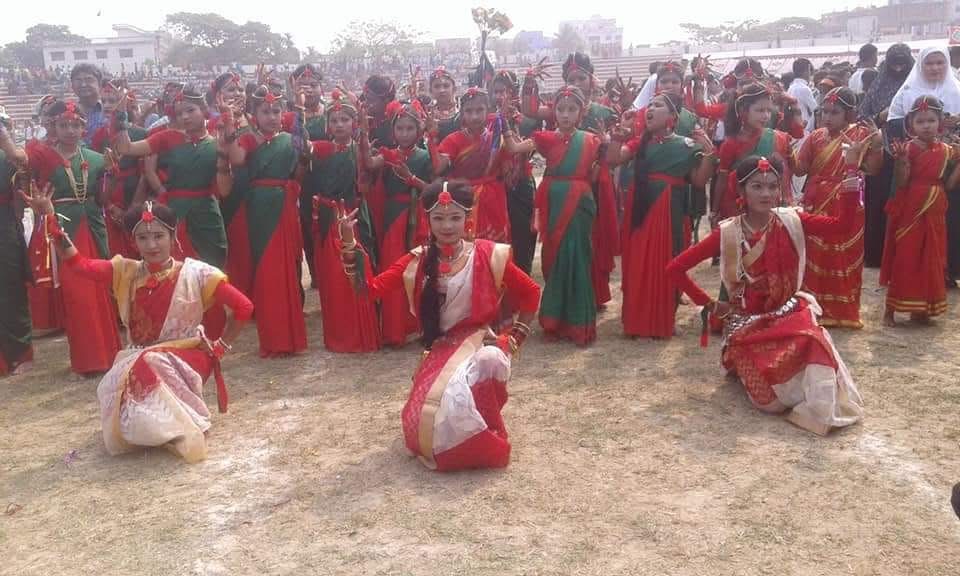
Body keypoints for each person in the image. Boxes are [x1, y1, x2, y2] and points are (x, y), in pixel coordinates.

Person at [21, 196, 252, 462]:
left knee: (151, 361)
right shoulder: (126, 272)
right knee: (122, 379)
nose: (152, 244)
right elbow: (79, 264)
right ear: (134, 241)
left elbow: (244, 307)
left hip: (188, 355)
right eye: (143, 238)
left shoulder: (197, 274)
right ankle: (157, 431)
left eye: (158, 236)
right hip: (138, 357)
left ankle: (183, 424)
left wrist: (221, 347)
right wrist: (50, 217)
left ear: (172, 236)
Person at [338, 181, 540, 471]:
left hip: (478, 343)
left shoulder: (487, 254)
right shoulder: (417, 260)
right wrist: (348, 242)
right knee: (423, 425)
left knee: (491, 359)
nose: (447, 226)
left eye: (455, 218)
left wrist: (514, 339)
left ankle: (487, 428)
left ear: (468, 219)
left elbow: (532, 292)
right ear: (427, 220)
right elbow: (368, 290)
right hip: (441, 350)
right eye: (439, 218)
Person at [667, 155, 864, 436]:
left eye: (773, 186)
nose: (766, 194)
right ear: (742, 191)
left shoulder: (792, 221)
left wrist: (852, 169)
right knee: (769, 404)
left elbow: (842, 227)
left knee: (813, 342)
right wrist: (711, 305)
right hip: (748, 324)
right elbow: (675, 269)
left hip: (790, 315)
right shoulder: (727, 233)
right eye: (757, 187)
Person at [0, 102, 121, 375]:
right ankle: (89, 360)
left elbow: (102, 198)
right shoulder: (42, 155)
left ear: (83, 127)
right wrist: (4, 134)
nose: (69, 130)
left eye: (75, 125)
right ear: (53, 127)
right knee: (77, 293)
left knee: (100, 288)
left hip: (93, 226)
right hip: (62, 227)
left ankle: (110, 354)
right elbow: (18, 159)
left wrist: (112, 175)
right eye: (63, 125)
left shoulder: (98, 158)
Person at [608, 92, 716, 338]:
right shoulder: (638, 143)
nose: (650, 109)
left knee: (668, 261)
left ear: (673, 117)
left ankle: (663, 319)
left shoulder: (686, 146)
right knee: (638, 263)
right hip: (641, 211)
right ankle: (636, 322)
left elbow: (699, 180)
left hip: (670, 212)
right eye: (650, 105)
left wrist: (710, 153)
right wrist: (617, 137)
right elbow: (614, 159)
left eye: (658, 105)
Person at [504, 86, 603, 345]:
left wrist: (610, 141)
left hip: (580, 202)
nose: (566, 115)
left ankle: (577, 321)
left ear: (581, 113)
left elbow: (597, 174)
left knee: (578, 256)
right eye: (561, 109)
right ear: (554, 112)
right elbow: (514, 148)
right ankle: (554, 319)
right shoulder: (545, 138)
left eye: (572, 110)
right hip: (554, 201)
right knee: (553, 257)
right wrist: (503, 122)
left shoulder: (592, 141)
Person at [225, 85, 308, 357]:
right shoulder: (249, 139)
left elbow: (299, 171)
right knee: (267, 269)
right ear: (254, 114)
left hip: (284, 204)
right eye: (265, 111)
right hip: (260, 206)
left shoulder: (290, 139)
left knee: (288, 267)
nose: (271, 116)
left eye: (276, 111)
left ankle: (291, 337)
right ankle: (274, 338)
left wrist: (303, 133)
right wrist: (229, 123)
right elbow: (236, 159)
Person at [111, 85, 233, 270]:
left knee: (213, 267)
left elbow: (225, 190)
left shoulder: (218, 138)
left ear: (204, 110)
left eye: (190, 110)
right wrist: (120, 115)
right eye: (179, 113)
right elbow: (126, 148)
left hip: (207, 213)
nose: (184, 117)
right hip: (175, 211)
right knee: (177, 269)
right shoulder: (168, 137)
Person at [794, 88, 883, 329]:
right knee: (814, 253)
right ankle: (814, 307)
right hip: (816, 201)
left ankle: (842, 310)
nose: (828, 117)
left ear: (849, 114)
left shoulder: (861, 135)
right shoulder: (815, 137)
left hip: (847, 199)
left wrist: (877, 145)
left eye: (835, 112)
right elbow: (800, 169)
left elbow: (873, 169)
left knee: (843, 253)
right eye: (825, 111)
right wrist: (787, 142)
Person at [310, 89, 381, 353]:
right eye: (334, 120)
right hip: (331, 220)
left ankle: (364, 329)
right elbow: (302, 146)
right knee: (335, 276)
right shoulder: (323, 148)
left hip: (355, 216)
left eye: (345, 120)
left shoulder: (360, 149)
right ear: (328, 125)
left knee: (360, 269)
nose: (340, 125)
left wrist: (363, 136)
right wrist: (298, 109)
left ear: (354, 123)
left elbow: (366, 180)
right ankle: (341, 333)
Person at [358, 100, 433, 346]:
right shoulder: (389, 155)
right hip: (392, 216)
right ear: (393, 131)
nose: (404, 133)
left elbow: (432, 189)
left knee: (417, 269)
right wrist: (363, 138)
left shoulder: (424, 157)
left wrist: (410, 178)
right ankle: (394, 329)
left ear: (418, 131)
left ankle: (417, 325)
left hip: (416, 214)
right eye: (399, 128)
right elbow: (369, 163)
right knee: (393, 268)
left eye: (409, 128)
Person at [881, 96, 960, 326]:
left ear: (940, 123)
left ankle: (922, 309)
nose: (926, 125)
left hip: (935, 207)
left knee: (931, 257)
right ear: (911, 124)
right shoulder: (907, 148)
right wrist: (902, 161)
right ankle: (891, 309)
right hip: (911, 206)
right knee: (906, 255)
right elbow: (903, 182)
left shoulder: (947, 151)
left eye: (931, 120)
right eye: (921, 121)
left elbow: (951, 184)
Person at [432, 87, 511, 243]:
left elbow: (508, 174)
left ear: (488, 110)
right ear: (462, 113)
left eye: (479, 110)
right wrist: (431, 138)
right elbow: (439, 168)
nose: (474, 116)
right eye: (469, 111)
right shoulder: (453, 140)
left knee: (493, 249)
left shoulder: (497, 140)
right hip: (463, 199)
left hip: (493, 200)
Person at [859, 43, 914, 268]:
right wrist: (882, 115)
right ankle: (876, 255)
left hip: (914, 154)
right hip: (883, 153)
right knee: (880, 203)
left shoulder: (915, 86)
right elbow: (863, 116)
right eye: (894, 62)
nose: (899, 67)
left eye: (903, 62)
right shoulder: (878, 84)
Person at [712, 83, 795, 224]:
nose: (766, 116)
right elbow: (722, 180)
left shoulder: (778, 138)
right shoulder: (730, 144)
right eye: (760, 110)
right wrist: (714, 210)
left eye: (769, 111)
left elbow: (788, 172)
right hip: (739, 207)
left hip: (770, 203)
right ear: (743, 111)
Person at [492, 70, 540, 275]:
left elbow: (528, 150)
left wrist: (508, 123)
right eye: (495, 91)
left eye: (503, 91)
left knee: (522, 237)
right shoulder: (487, 120)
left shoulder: (528, 121)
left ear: (513, 92)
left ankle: (522, 282)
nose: (498, 96)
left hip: (521, 186)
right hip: (496, 187)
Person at [0, 117, 32, 376]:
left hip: (4, 226)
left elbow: (25, 166)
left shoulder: (9, 156)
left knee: (9, 288)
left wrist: (7, 142)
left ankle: (19, 352)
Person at [70, 64, 106, 147]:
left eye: (89, 80)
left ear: (99, 84)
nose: (83, 85)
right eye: (78, 81)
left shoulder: (110, 110)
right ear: (72, 86)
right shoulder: (67, 112)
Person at [428, 66, 460, 142]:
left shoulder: (463, 114)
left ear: (454, 89)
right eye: (437, 86)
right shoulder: (427, 117)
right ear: (430, 91)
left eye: (446, 86)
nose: (442, 90)